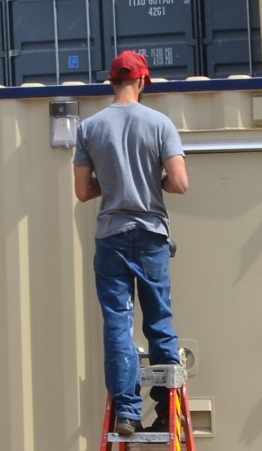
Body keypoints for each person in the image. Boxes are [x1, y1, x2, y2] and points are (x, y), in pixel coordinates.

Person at [71, 50, 189, 436]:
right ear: (141, 82)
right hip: (151, 234)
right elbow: (180, 183)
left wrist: (114, 182)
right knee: (159, 321)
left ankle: (126, 412)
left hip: (112, 238)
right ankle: (166, 412)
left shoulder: (89, 128)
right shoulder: (160, 124)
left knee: (118, 323)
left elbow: (83, 192)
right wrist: (151, 183)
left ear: (112, 82)